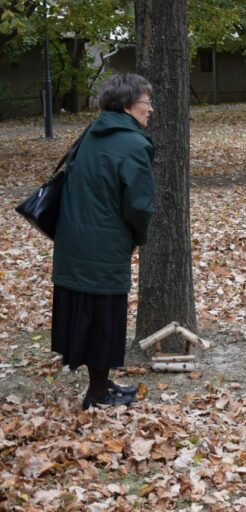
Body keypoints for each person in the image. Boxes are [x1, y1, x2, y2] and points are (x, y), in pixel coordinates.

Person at [52, 72, 156, 410]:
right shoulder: (135, 145)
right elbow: (139, 205)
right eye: (146, 102)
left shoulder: (91, 134)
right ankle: (96, 396)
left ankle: (101, 384)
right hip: (105, 245)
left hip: (73, 243)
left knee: (88, 316)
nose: (150, 109)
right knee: (104, 320)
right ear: (127, 106)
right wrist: (138, 237)